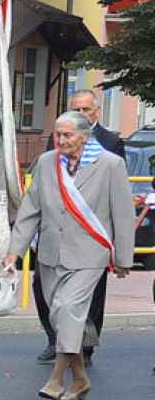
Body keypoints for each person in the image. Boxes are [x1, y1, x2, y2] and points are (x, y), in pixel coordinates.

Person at [5, 110, 133, 400]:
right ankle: (81, 380)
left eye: (67, 135)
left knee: (67, 307)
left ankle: (55, 378)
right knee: (61, 316)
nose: (60, 140)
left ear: (84, 137)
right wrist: (15, 250)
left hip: (90, 252)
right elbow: (31, 208)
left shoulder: (109, 164)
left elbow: (123, 213)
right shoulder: (48, 162)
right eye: (58, 134)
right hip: (51, 252)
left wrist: (123, 258)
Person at [35, 88, 125, 367]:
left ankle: (84, 348)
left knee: (90, 296)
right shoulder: (58, 137)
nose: (81, 114)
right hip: (57, 231)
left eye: (86, 109)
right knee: (45, 290)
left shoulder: (110, 143)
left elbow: (116, 196)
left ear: (97, 111)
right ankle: (56, 339)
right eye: (76, 108)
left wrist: (118, 249)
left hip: (91, 232)